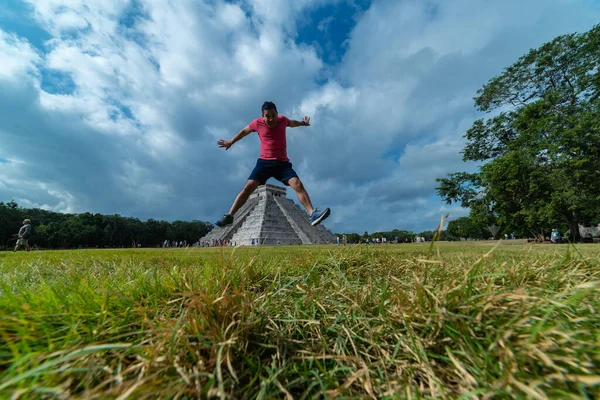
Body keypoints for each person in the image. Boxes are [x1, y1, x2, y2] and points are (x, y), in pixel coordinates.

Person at [214, 101, 330, 227]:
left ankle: (312, 214)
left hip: (282, 163)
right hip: (264, 163)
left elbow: (292, 123)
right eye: (267, 116)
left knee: (297, 184)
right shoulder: (257, 123)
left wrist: (303, 123)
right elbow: (244, 131)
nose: (270, 119)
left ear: (277, 114)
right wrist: (231, 141)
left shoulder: (283, 120)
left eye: (273, 115)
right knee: (249, 187)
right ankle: (230, 216)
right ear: (262, 116)